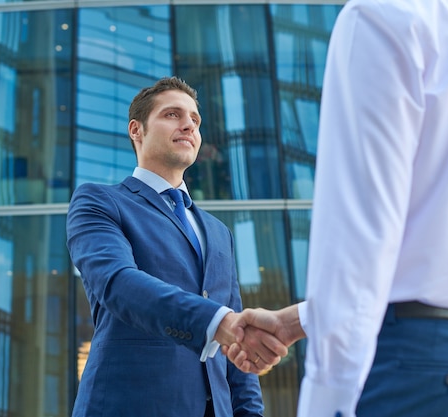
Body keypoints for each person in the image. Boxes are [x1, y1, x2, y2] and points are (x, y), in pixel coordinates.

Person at [225, 0, 448, 416]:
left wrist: (327, 403)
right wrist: (294, 322)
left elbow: (361, 234)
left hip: (420, 362)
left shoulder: (376, 17)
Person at [66, 76, 286, 417]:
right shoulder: (99, 201)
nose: (188, 125)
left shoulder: (218, 232)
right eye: (172, 115)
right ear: (136, 130)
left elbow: (236, 353)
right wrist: (218, 322)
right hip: (130, 405)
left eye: (195, 120)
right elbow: (117, 284)